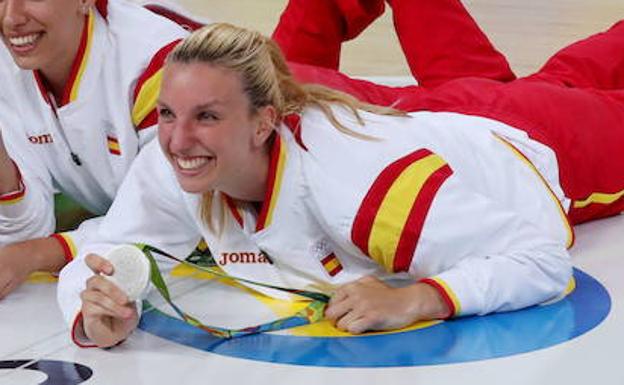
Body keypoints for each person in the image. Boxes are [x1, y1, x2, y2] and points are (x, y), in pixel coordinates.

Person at [58, 18, 624, 348]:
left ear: (264, 122)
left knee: (565, 87)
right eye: (166, 115)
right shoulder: (172, 159)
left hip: (542, 145)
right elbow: (107, 246)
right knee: (571, 72)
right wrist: (92, 312)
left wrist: (420, 298)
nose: (178, 140)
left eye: (206, 117)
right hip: (432, 116)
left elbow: (540, 259)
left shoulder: (361, 191)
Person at [0, 0, 515, 299]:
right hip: (271, 104)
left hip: (306, 117)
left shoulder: (157, 72)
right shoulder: (17, 60)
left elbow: (157, 211)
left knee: (489, 99)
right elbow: (41, 221)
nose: (12, 16)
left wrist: (427, 299)